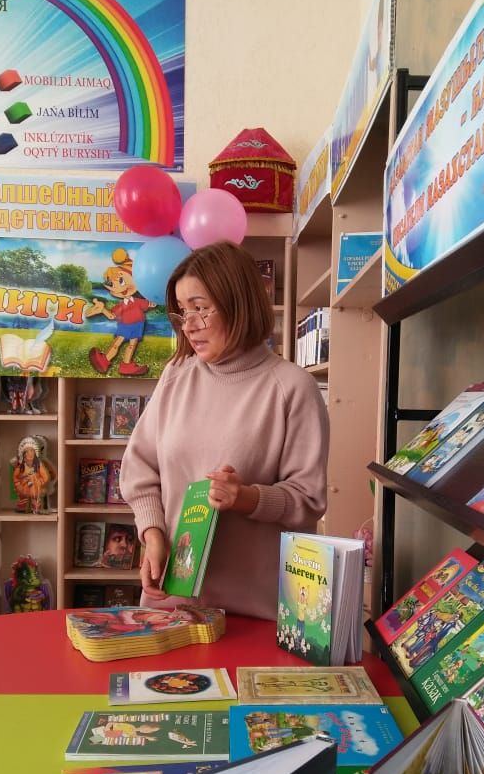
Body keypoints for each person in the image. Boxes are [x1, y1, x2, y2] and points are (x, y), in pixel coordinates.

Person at [119, 240, 329, 620]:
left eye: (200, 309)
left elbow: (308, 500)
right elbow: (139, 467)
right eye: (182, 311)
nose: (189, 326)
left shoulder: (292, 388)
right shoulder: (176, 375)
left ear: (239, 303)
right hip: (170, 605)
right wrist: (152, 534)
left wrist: (246, 498)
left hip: (253, 612)